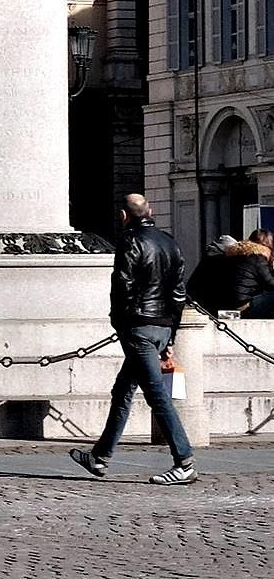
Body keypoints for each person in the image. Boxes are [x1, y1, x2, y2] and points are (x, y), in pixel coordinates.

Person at [72, 193, 196, 486]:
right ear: (150, 211)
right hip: (162, 325)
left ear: (124, 216)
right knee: (123, 389)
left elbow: (122, 284)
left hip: (139, 326)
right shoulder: (169, 242)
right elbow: (178, 294)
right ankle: (100, 456)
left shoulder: (130, 241)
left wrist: (119, 323)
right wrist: (170, 337)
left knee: (156, 395)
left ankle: (184, 461)